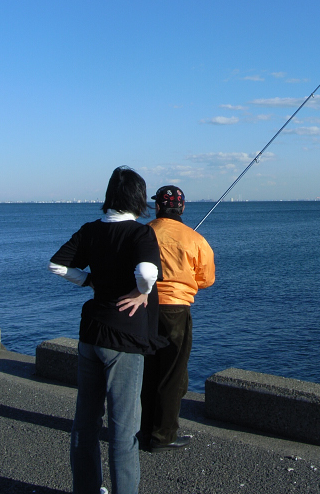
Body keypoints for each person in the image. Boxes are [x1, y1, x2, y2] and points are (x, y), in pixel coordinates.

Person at [49, 166, 165, 494]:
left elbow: (57, 265)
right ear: (140, 198)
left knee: (85, 424)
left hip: (90, 334)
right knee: (123, 432)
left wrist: (87, 280)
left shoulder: (89, 230)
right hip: (124, 339)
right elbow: (145, 271)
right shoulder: (141, 234)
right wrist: (142, 292)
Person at [140, 185, 215, 451]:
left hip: (144, 308)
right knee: (172, 374)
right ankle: (164, 436)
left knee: (147, 371)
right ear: (182, 208)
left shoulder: (143, 232)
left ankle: (143, 430)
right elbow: (207, 280)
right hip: (176, 311)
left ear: (157, 206)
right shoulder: (195, 239)